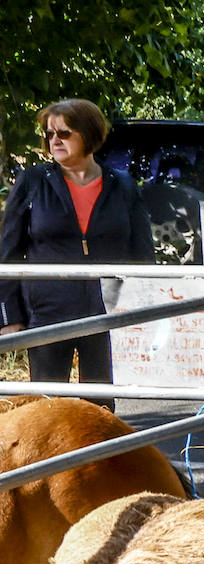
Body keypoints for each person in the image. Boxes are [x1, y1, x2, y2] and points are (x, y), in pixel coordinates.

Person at [0, 99, 155, 409]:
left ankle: (97, 459)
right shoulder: (33, 182)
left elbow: (142, 253)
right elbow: (8, 252)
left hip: (106, 312)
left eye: (64, 133)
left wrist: (146, 309)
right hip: (46, 313)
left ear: (89, 134)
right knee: (46, 408)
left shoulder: (123, 185)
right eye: (48, 134)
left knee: (100, 411)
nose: (54, 140)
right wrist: (10, 315)